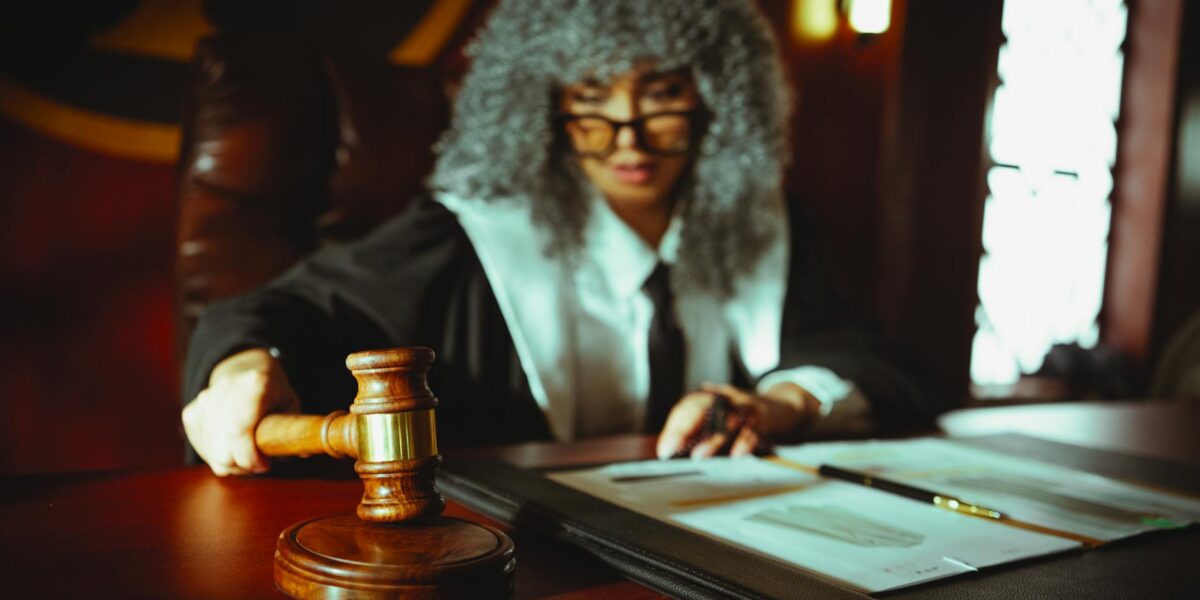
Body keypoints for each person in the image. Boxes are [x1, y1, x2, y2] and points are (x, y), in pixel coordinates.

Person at [181, 0, 933, 477]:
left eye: (663, 95)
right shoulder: (466, 232)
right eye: (591, 99)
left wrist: (774, 406)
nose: (629, 138)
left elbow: (867, 360)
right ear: (544, 108)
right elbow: (277, 316)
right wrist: (244, 369)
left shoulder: (770, 225)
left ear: (718, 100)